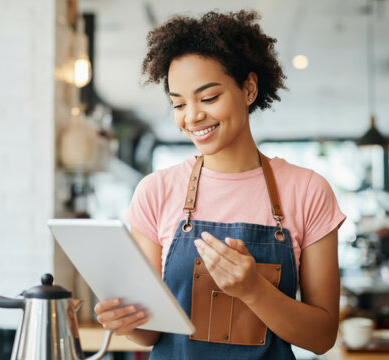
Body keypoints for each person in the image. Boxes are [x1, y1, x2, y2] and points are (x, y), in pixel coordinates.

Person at [95, 10, 346, 359]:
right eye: (178, 103)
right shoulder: (156, 192)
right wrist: (126, 320)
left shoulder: (307, 191)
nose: (192, 116)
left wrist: (254, 290)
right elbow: (151, 333)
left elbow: (322, 337)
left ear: (249, 89)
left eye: (208, 98)